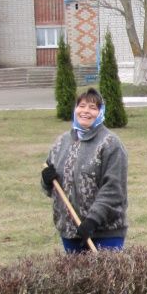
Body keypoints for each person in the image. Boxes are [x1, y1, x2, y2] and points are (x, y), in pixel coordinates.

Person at [42, 87, 128, 253]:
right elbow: (52, 188)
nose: (85, 111)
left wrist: (92, 221)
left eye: (92, 107)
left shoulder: (111, 144)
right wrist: (46, 181)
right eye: (81, 106)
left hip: (105, 233)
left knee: (106, 278)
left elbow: (113, 190)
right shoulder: (61, 143)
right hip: (70, 232)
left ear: (101, 112)